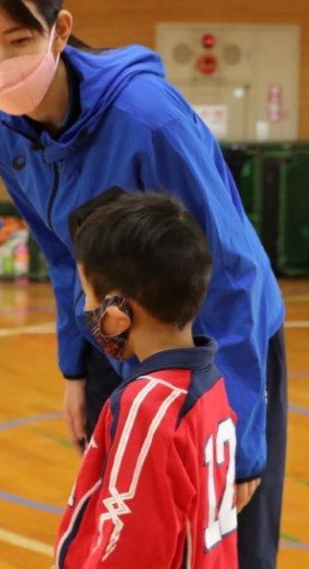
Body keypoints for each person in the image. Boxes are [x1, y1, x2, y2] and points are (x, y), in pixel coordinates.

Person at [0, 0, 287, 567]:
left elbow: (233, 271)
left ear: (60, 30)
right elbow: (58, 250)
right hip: (113, 335)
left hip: (216, 346)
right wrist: (75, 369)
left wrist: (240, 441)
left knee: (229, 547)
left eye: (18, 39)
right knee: (129, 536)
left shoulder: (146, 119)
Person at [55, 191, 237, 567]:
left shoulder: (147, 406)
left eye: (89, 297)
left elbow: (131, 545)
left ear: (118, 313)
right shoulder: (210, 383)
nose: (86, 311)